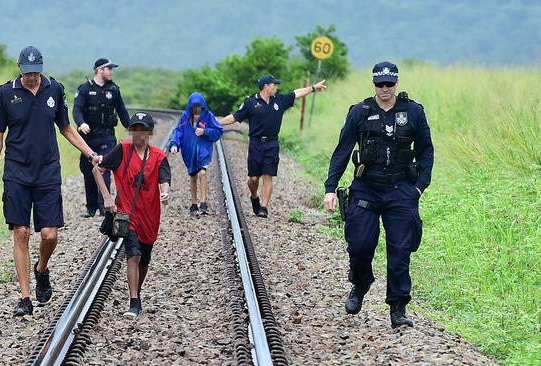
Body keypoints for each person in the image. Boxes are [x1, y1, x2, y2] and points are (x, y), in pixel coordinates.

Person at [0, 46, 101, 316]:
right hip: (16, 172)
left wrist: (91, 154)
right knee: (22, 232)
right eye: (27, 73)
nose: (32, 77)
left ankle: (42, 269)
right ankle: (25, 298)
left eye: (36, 72)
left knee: (49, 234)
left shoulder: (54, 90)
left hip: (47, 171)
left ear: (42, 69)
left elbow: (67, 128)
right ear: (19, 68)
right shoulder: (5, 93)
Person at [323, 61, 434, 328]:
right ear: (373, 84)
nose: (384, 88)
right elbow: (342, 150)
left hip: (401, 190)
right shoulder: (360, 112)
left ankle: (398, 308)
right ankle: (360, 284)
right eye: (379, 84)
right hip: (366, 188)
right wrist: (330, 187)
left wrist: (419, 186)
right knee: (360, 245)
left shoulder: (413, 112)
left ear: (397, 83)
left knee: (400, 251)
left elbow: (426, 151)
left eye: (389, 83)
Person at [94, 112, 171, 319]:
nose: (138, 134)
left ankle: (137, 292)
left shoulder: (158, 156)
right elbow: (97, 170)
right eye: (135, 129)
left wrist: (165, 191)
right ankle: (134, 301)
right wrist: (107, 197)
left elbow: (164, 178)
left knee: (144, 259)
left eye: (143, 129)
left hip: (150, 216)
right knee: (133, 255)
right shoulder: (122, 150)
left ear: (150, 132)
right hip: (127, 215)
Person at [219, 74, 326, 217]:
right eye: (274, 84)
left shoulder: (279, 100)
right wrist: (217, 123)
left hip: (272, 143)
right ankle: (254, 196)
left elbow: (297, 93)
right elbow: (235, 116)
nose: (276, 87)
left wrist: (313, 88)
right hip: (256, 143)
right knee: (253, 178)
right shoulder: (251, 103)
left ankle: (264, 207)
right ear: (266, 86)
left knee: (268, 176)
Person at [73, 58, 130, 218]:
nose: (111, 72)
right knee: (88, 171)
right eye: (109, 68)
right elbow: (76, 109)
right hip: (88, 139)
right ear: (100, 70)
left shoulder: (114, 90)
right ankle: (91, 207)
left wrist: (133, 128)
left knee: (105, 169)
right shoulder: (84, 89)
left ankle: (104, 205)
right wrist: (81, 123)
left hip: (107, 138)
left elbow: (122, 112)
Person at [169, 92, 223, 215]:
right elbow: (178, 132)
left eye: (199, 106)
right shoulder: (185, 117)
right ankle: (194, 203)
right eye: (194, 107)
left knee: (202, 173)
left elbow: (218, 130)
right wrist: (174, 144)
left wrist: (205, 131)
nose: (197, 109)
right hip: (189, 151)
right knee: (193, 176)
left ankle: (203, 202)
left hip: (203, 149)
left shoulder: (208, 116)